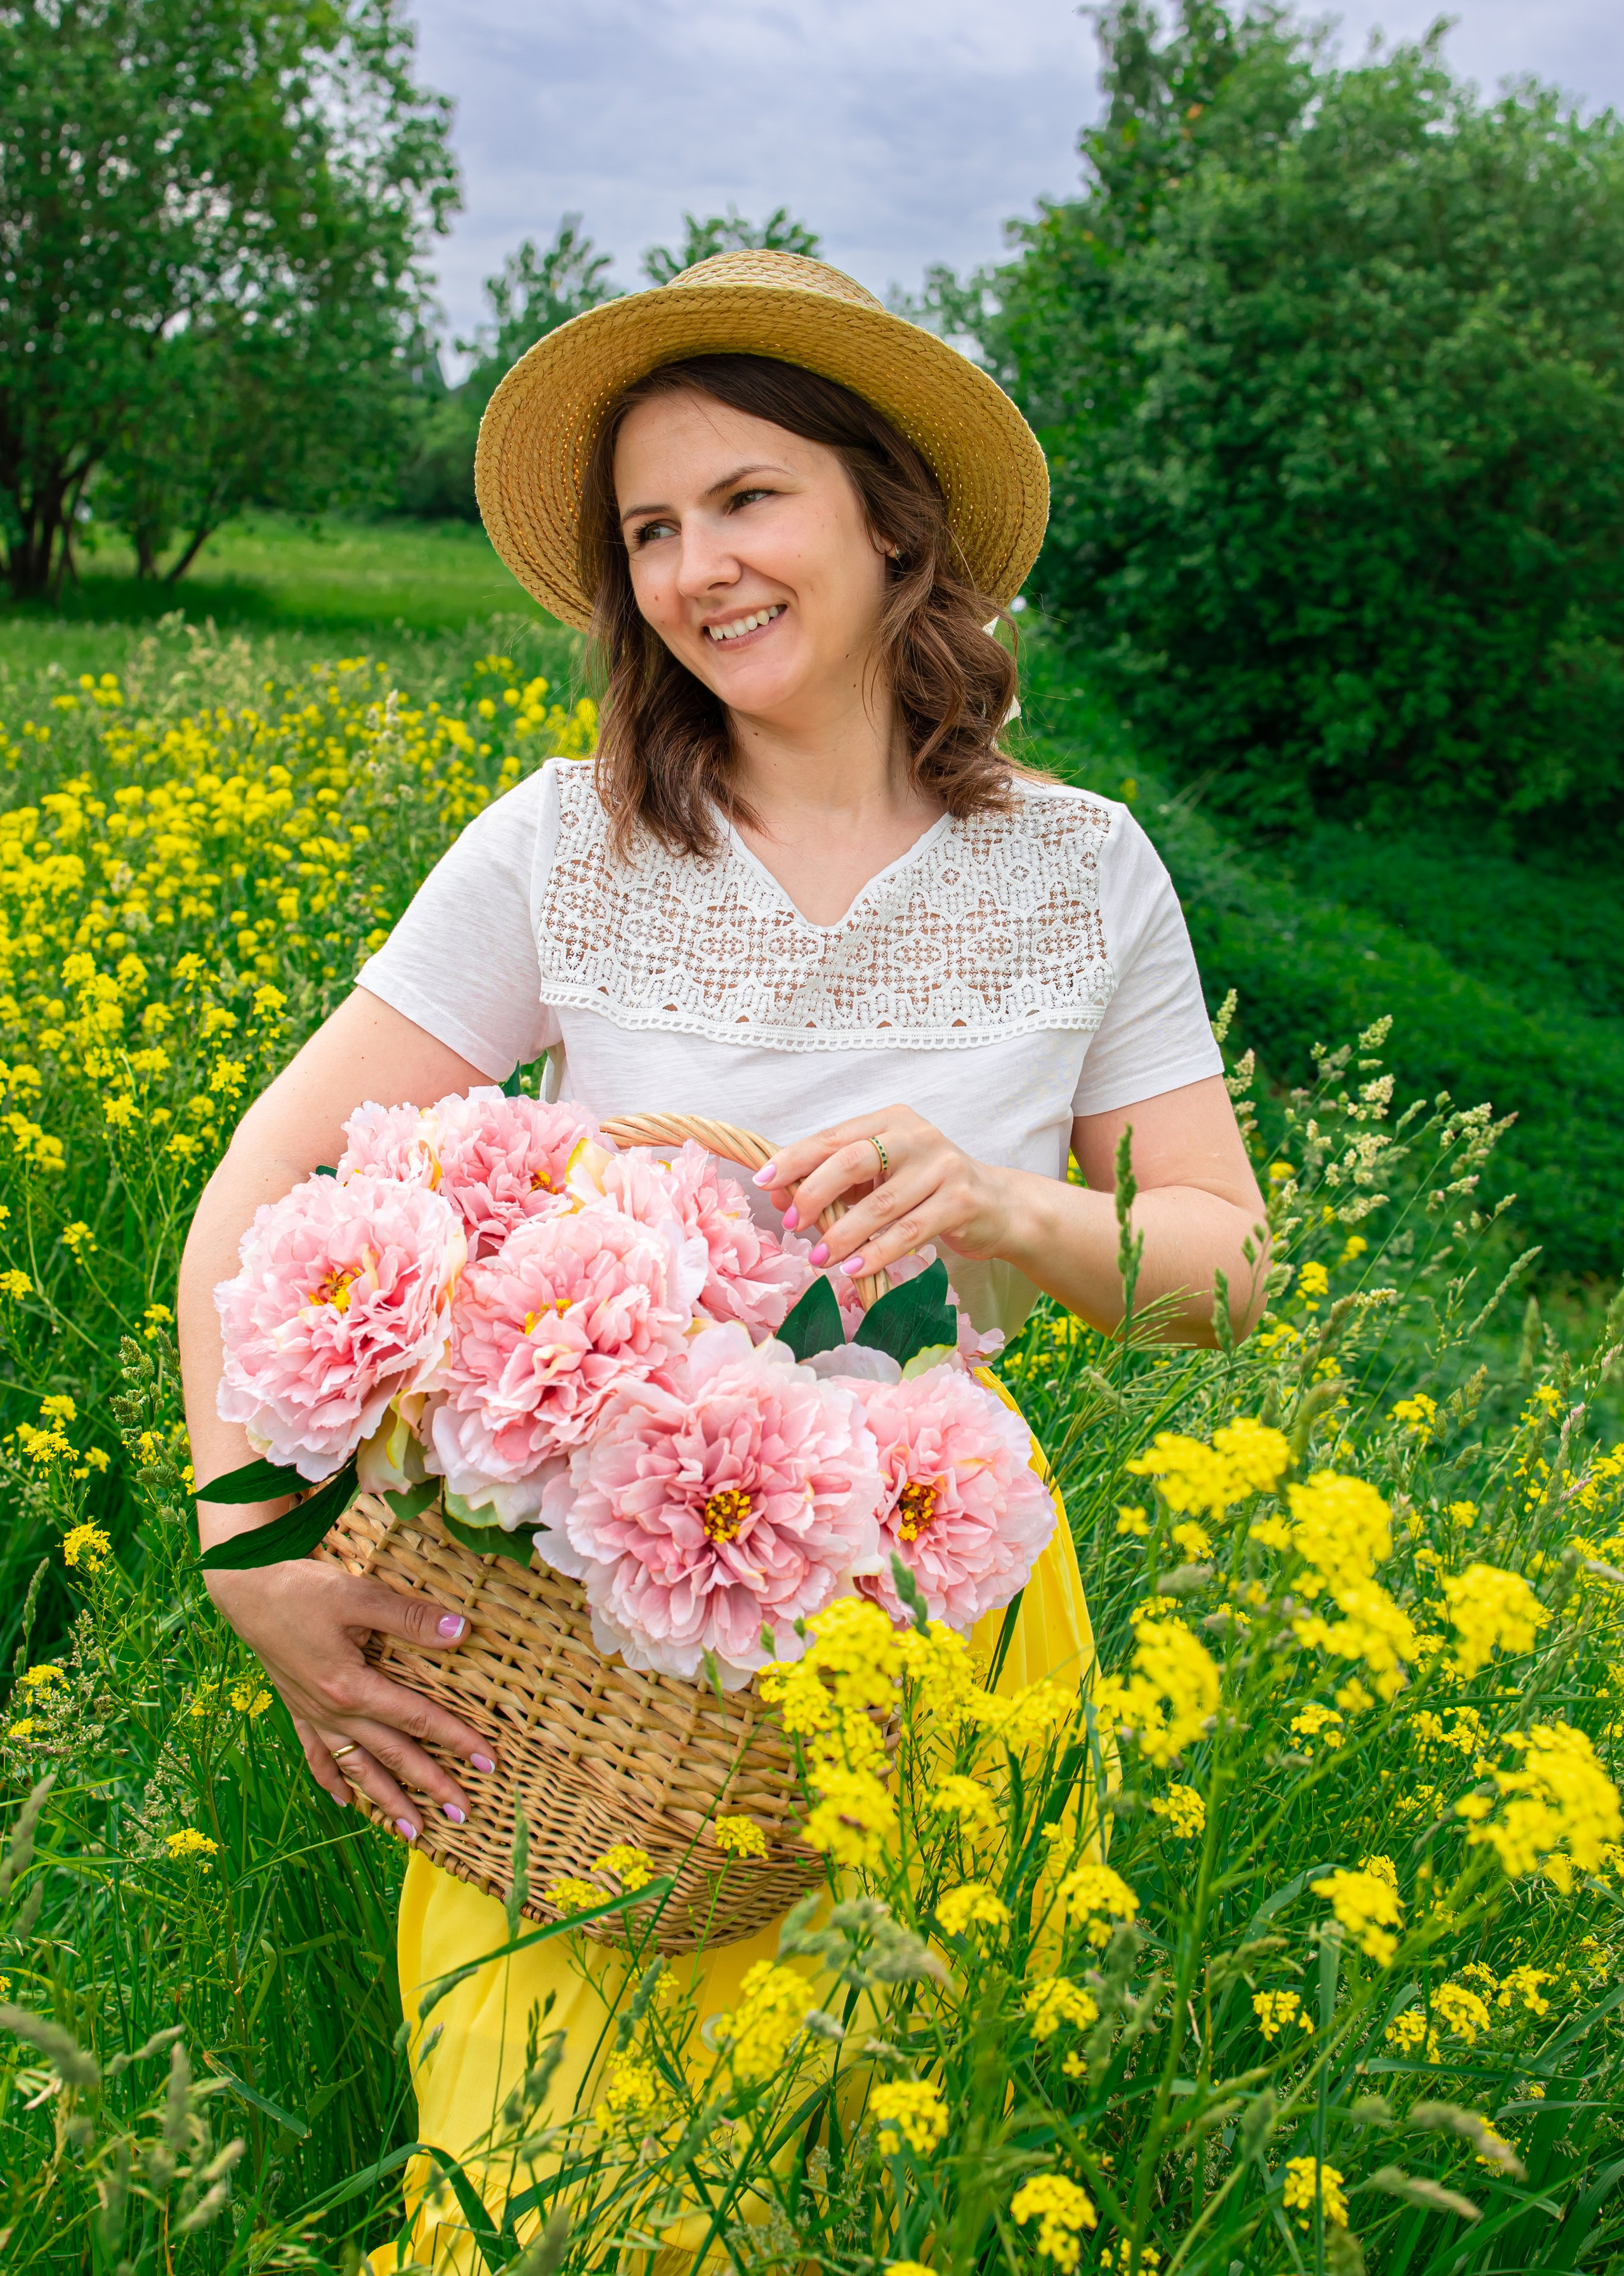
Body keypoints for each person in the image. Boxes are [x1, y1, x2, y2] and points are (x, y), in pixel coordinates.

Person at [178, 250, 1266, 2263]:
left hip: (950, 1642)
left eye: (747, 498)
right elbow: (263, 1174)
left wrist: (1014, 1211)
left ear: (889, 518)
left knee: (893, 2204)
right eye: (649, 532)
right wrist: (248, 1539)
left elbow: (1222, 1270)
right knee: (543, 2207)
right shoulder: (562, 842)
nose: (695, 568)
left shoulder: (1080, 866)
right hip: (583, 1683)